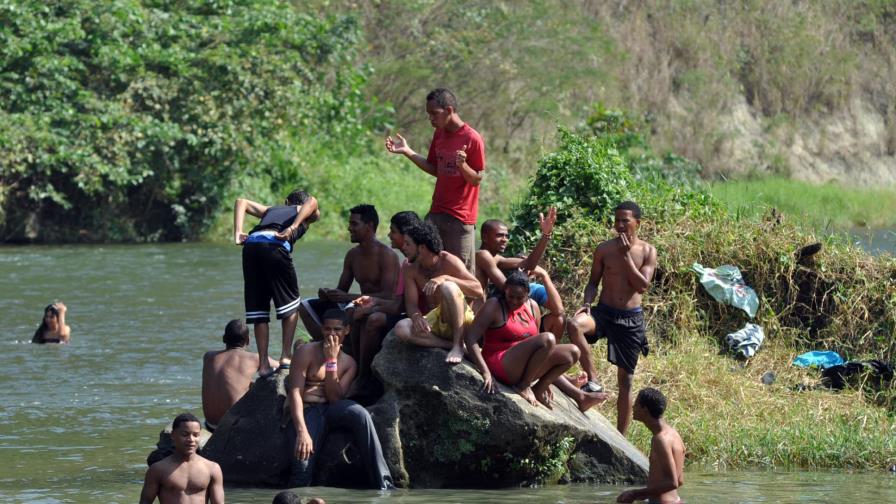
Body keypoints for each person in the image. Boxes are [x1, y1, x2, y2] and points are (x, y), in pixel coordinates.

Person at [567, 201, 657, 435]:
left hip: (630, 318)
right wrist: (586, 304)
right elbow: (593, 282)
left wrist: (626, 256)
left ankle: (621, 437)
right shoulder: (604, 249)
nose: (619, 225)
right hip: (603, 312)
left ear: (638, 223)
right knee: (574, 324)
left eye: (625, 221)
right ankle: (593, 381)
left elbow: (642, 286)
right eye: (616, 220)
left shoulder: (647, 251)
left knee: (625, 381)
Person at [465, 270, 609, 410]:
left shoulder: (533, 306)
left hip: (521, 365)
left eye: (519, 298)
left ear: (528, 294)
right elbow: (470, 338)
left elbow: (539, 355)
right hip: (500, 361)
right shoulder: (494, 305)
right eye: (510, 296)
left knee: (573, 351)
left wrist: (548, 381)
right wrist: (485, 372)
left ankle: (542, 388)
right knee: (548, 339)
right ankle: (523, 386)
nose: (514, 301)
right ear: (505, 291)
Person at [287, 309, 393, 489]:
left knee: (360, 414)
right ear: (322, 330)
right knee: (302, 466)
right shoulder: (305, 352)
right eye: (327, 329)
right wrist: (302, 431)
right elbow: (294, 392)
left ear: (347, 330)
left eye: (337, 329)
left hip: (333, 407)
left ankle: (384, 484)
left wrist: (331, 361)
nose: (332, 334)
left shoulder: (349, 363)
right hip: (309, 409)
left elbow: (335, 398)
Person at [385, 88, 485, 272]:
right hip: (436, 212)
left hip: (460, 218)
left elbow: (476, 179)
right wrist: (408, 151)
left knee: (460, 272)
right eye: (428, 114)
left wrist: (462, 166)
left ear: (449, 110)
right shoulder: (439, 134)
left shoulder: (472, 138)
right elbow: (435, 169)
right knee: (429, 267)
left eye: (434, 114)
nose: (431, 118)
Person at [234, 189, 320, 378]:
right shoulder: (304, 212)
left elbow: (241, 202)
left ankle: (264, 365)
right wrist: (293, 227)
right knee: (291, 304)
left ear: (285, 201)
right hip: (274, 246)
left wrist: (238, 232)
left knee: (259, 310)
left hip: (251, 247)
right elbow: (313, 202)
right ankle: (285, 357)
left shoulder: (271, 210)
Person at [298, 204, 398, 348]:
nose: (349, 228)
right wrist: (329, 294)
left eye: (354, 224)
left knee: (352, 309)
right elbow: (342, 291)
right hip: (356, 302)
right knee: (305, 306)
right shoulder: (352, 255)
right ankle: (329, 346)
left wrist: (348, 297)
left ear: (369, 226)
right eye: (349, 223)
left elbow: (388, 295)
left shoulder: (387, 255)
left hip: (377, 305)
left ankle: (346, 350)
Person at [392, 221, 484, 364]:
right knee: (401, 328)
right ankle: (452, 346)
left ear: (422, 247)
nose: (403, 248)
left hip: (461, 322)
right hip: (437, 321)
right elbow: (411, 304)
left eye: (408, 244)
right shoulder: (410, 268)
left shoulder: (448, 260)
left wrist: (445, 277)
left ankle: (458, 344)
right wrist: (416, 317)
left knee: (448, 287)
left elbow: (478, 290)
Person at [350, 211, 421, 390]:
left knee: (374, 319)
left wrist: (371, 307)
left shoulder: (414, 261)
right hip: (407, 314)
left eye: (393, 231)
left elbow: (398, 307)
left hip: (418, 318)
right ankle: (356, 369)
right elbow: (397, 301)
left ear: (406, 235)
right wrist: (371, 302)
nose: (389, 235)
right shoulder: (405, 262)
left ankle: (364, 377)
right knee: (357, 315)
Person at [475, 208, 566, 335]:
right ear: (485, 237)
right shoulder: (482, 255)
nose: (504, 239)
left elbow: (529, 264)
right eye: (499, 235)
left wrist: (545, 235)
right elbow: (506, 288)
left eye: (506, 236)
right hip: (481, 321)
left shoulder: (497, 259)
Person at [201, 319, 277, 432]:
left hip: (210, 425)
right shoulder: (254, 358)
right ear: (248, 340)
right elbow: (283, 366)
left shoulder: (208, 357)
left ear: (223, 338)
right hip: (234, 425)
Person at [616, 388, 685, 504]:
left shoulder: (660, 439)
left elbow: (672, 482)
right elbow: (680, 480)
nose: (633, 407)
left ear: (645, 410)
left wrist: (634, 494)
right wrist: (644, 496)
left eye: (636, 404)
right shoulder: (674, 434)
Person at [139, 412, 224, 504]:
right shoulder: (158, 470)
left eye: (195, 435)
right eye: (185, 434)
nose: (191, 439)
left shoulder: (212, 469)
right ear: (173, 435)